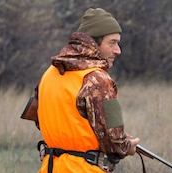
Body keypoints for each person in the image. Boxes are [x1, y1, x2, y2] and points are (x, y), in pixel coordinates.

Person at [21, 8, 140, 173]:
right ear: (93, 42)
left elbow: (46, 122)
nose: (118, 50)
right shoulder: (98, 80)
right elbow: (114, 141)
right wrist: (128, 146)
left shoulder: (49, 74)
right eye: (112, 43)